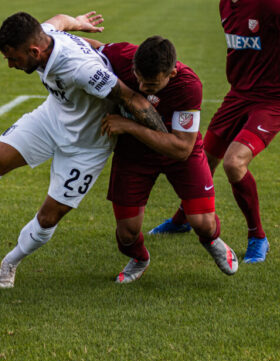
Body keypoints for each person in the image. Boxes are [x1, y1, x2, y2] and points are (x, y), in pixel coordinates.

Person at [0, 11, 167, 288]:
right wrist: (78, 22)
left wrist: (167, 140)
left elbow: (132, 98)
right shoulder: (45, 35)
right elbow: (59, 20)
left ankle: (11, 261)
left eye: (13, 58)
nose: (10, 64)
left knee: (48, 217)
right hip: (51, 119)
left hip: (87, 146)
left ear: (34, 51)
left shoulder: (81, 69)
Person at [84, 35, 238, 282]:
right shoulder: (122, 55)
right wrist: (61, 28)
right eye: (138, 79)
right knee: (127, 234)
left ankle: (212, 240)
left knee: (204, 223)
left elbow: (181, 149)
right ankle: (139, 258)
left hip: (179, 150)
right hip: (134, 154)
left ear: (172, 74)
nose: (142, 88)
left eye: (152, 85)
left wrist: (129, 126)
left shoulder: (188, 86)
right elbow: (85, 46)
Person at [149, 0, 280, 264]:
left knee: (234, 163)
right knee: (200, 160)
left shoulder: (271, 0)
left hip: (271, 100)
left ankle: (258, 237)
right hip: (238, 95)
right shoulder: (225, 3)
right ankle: (183, 219)